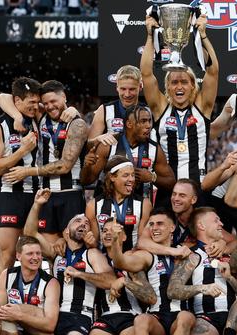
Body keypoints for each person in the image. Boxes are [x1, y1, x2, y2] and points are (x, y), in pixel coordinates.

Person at [24, 188, 116, 335]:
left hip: (79, 317)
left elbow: (111, 281)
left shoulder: (92, 254)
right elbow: (30, 234)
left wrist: (79, 273)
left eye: (87, 223)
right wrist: (37, 205)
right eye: (77, 221)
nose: (83, 224)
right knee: (11, 317)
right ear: (66, 231)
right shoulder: (56, 252)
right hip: (52, 315)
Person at [0, 80, 88, 244]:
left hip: (70, 194)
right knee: (50, 251)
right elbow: (3, 97)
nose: (49, 106)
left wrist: (27, 172)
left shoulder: (77, 123)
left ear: (64, 97)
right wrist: (17, 116)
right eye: (45, 103)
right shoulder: (41, 117)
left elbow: (64, 165)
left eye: (54, 101)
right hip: (46, 195)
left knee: (73, 246)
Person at [109, 208, 197, 335]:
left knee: (185, 316)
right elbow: (121, 262)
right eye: (151, 224)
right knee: (141, 319)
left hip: (181, 317)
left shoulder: (185, 251)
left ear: (172, 227)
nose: (154, 228)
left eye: (160, 224)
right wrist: (116, 241)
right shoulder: (146, 255)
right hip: (157, 318)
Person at [141, 12, 218, 184]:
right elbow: (146, 74)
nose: (179, 86)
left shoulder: (202, 106)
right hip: (167, 187)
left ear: (192, 85)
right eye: (174, 82)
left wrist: (203, 36)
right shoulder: (161, 108)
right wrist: (149, 36)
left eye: (184, 81)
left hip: (198, 186)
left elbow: (213, 71)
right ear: (167, 87)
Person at [167, 207, 237, 335]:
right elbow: (172, 290)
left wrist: (230, 276)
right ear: (201, 226)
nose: (221, 223)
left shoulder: (230, 255)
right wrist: (202, 288)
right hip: (207, 317)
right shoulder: (192, 256)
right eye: (216, 220)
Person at [0, 76, 41, 288]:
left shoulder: (37, 117)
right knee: (7, 257)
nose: (36, 107)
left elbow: (3, 96)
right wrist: (23, 151)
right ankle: (0, 307)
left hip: (38, 194)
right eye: (31, 103)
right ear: (17, 101)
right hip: (10, 195)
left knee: (39, 254)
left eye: (37, 102)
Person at [77, 218, 157, 335]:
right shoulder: (94, 258)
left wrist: (125, 281)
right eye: (105, 231)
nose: (108, 234)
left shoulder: (132, 260)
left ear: (124, 236)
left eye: (113, 230)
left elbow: (150, 297)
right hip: (105, 319)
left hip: (130, 317)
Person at [81, 104, 175, 200]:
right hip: (109, 207)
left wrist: (152, 177)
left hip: (142, 209)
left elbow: (171, 182)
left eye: (149, 121)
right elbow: (86, 181)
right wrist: (87, 166)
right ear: (129, 124)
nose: (148, 126)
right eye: (143, 121)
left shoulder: (154, 149)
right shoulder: (109, 145)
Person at [85, 156, 152, 252]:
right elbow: (95, 243)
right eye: (126, 175)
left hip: (132, 258)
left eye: (132, 175)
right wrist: (90, 242)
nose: (131, 179)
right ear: (112, 177)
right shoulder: (93, 205)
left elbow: (142, 241)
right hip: (104, 259)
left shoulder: (144, 204)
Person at [88, 65, 143, 146]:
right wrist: (98, 139)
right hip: (110, 158)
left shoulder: (148, 111)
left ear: (140, 87)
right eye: (123, 89)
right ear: (117, 87)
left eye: (132, 89)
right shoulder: (104, 110)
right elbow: (89, 144)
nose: (127, 94)